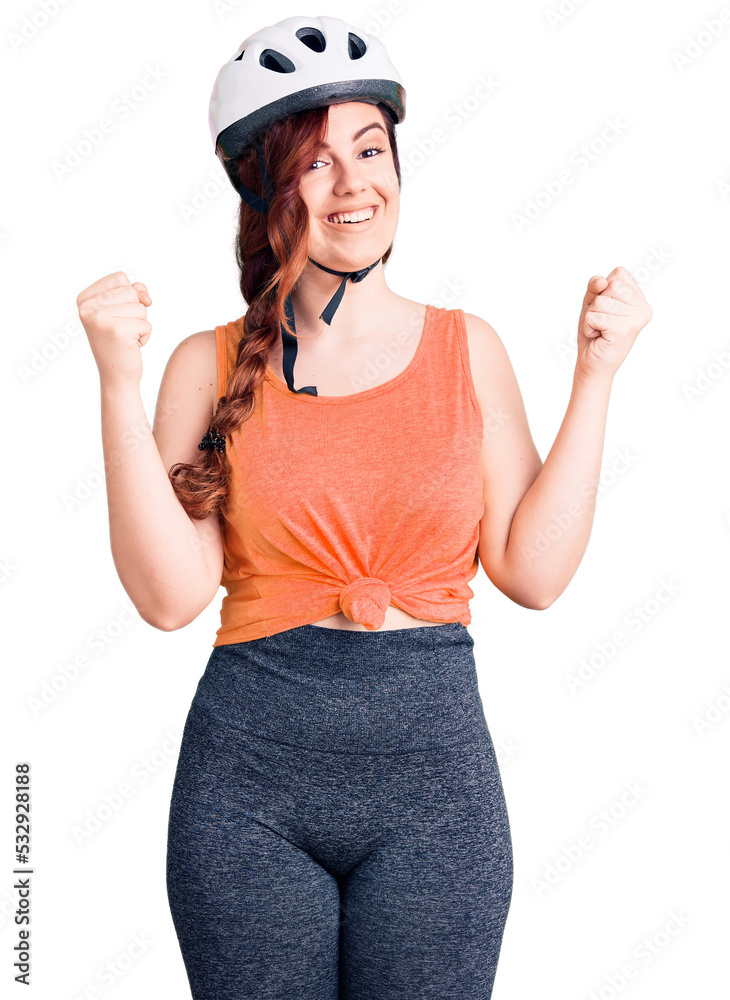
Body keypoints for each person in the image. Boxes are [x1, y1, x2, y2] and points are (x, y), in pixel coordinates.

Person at [75, 14, 653, 1000]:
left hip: (436, 800)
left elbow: (533, 571)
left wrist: (596, 375)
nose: (353, 186)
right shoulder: (202, 366)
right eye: (315, 162)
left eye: (370, 150)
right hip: (244, 798)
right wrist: (115, 380)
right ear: (264, 189)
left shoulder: (467, 350)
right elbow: (170, 597)